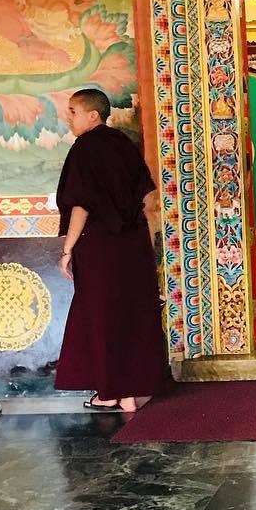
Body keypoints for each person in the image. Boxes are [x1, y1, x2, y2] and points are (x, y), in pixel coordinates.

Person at [54, 87, 165, 413]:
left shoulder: (86, 147)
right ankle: (130, 393)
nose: (68, 118)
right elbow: (147, 198)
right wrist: (148, 243)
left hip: (100, 246)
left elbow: (82, 204)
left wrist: (67, 249)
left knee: (102, 317)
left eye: (73, 111)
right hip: (133, 243)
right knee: (131, 313)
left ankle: (110, 393)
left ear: (93, 115)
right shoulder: (124, 144)